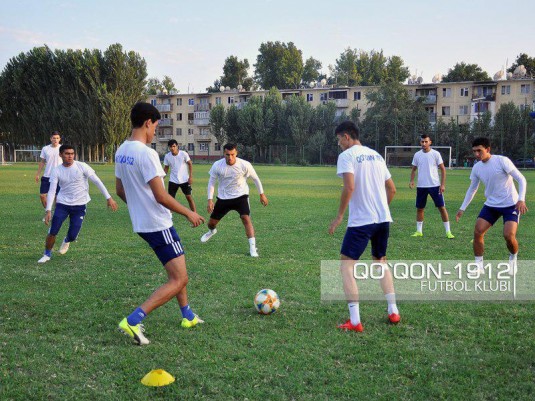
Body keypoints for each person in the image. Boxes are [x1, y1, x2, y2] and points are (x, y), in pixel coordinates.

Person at [115, 102, 205, 346]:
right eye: (155, 125)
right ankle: (133, 320)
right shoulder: (147, 153)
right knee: (179, 279)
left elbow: (120, 190)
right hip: (158, 224)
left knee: (177, 269)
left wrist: (137, 207)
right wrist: (189, 213)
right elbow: (161, 196)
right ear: (147, 123)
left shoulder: (121, 150)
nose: (155, 131)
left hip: (143, 224)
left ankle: (187, 316)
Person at [328, 121, 399, 332]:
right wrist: (380, 209)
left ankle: (355, 321)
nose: (339, 144)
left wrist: (340, 215)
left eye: (339, 139)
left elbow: (349, 187)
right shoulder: (376, 155)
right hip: (383, 219)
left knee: (346, 267)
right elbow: (392, 189)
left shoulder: (347, 156)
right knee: (381, 263)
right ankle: (393, 311)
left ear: (347, 137)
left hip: (361, 222)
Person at [456, 137, 527, 273]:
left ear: (488, 149)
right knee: (478, 232)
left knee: (508, 235)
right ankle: (479, 267)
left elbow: (521, 179)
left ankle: (513, 258)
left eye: (479, 151)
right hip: (491, 205)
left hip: (510, 205)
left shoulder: (502, 161)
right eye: (474, 151)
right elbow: (472, 189)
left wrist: (521, 199)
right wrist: (462, 208)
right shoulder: (476, 168)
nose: (476, 154)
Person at [38, 144, 118, 263]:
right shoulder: (57, 170)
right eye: (67, 154)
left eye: (72, 154)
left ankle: (67, 240)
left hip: (80, 205)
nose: (70, 156)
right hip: (62, 204)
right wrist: (48, 210)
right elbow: (52, 191)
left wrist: (108, 197)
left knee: (73, 235)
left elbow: (97, 181)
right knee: (53, 230)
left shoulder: (82, 166)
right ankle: (47, 254)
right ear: (61, 155)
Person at [200, 143, 268, 257]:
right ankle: (212, 231)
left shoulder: (245, 164)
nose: (230, 157)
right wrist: (209, 200)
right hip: (223, 198)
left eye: (232, 154)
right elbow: (211, 183)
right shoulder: (217, 165)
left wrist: (262, 194)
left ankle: (252, 249)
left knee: (246, 218)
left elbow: (256, 179)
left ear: (236, 153)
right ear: (224, 154)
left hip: (241, 196)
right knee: (211, 224)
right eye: (227, 155)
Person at [409, 134, 454, 239]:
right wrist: (411, 180)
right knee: (420, 208)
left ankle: (448, 232)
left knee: (441, 208)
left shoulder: (436, 154)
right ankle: (419, 231)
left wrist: (442, 184)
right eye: (422, 142)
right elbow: (413, 169)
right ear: (420, 143)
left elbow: (443, 169)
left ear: (430, 142)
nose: (424, 143)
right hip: (421, 186)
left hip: (435, 186)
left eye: (426, 141)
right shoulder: (417, 155)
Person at [163, 139, 196, 212]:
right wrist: (162, 178)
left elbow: (190, 163)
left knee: (188, 197)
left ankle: (195, 214)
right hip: (173, 180)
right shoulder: (167, 156)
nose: (172, 148)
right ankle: (169, 216)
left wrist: (190, 177)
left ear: (177, 146)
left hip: (184, 180)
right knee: (170, 200)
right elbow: (166, 168)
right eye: (170, 147)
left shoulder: (183, 154)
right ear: (169, 147)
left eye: (174, 146)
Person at [35, 131, 62, 211]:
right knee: (42, 196)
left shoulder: (62, 148)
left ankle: (55, 214)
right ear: (51, 139)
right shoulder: (45, 148)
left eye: (57, 138)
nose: (55, 140)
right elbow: (42, 162)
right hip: (47, 176)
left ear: (59, 139)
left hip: (59, 177)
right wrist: (38, 174)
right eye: (54, 138)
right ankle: (48, 211)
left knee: (57, 197)